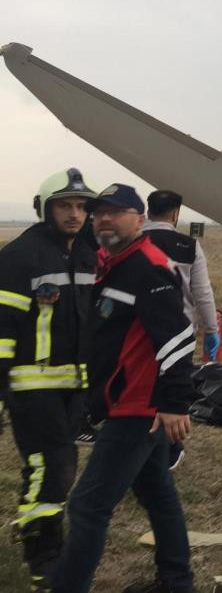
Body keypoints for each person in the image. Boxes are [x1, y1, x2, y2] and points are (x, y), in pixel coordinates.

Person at [48, 184, 197, 593]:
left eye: (116, 212)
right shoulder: (113, 262)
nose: (104, 220)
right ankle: (176, 581)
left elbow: (178, 336)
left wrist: (173, 403)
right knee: (158, 494)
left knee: (87, 506)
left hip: (138, 407)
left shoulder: (148, 266)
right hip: (125, 402)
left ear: (138, 218)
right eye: (99, 213)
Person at [0, 169, 97, 591]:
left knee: (62, 466)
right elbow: (2, 328)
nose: (75, 215)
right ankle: (43, 560)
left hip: (74, 386)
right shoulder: (21, 255)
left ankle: (44, 541)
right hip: (32, 385)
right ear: (44, 209)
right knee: (50, 468)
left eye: (81, 207)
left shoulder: (89, 254)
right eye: (64, 206)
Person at [143, 189, 219, 472]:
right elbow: (202, 292)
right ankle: (170, 448)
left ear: (148, 211)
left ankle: (145, 441)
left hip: (140, 332)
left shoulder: (134, 240)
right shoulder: (189, 246)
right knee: (172, 389)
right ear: (175, 214)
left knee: (144, 388)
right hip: (180, 332)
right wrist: (211, 329)